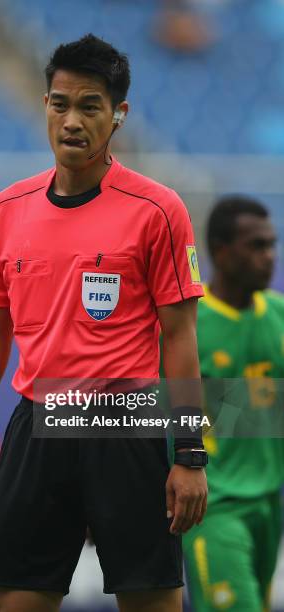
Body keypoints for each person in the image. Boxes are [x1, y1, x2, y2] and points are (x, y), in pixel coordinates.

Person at [0, 34, 207, 612]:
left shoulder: (158, 209)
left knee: (152, 602)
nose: (71, 121)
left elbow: (178, 338)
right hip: (40, 425)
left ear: (118, 115)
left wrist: (189, 454)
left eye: (90, 106)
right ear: (45, 105)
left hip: (126, 426)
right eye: (59, 104)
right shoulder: (6, 210)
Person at [183, 196, 284, 611]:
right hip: (214, 506)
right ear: (221, 252)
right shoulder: (188, 324)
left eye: (272, 244)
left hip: (268, 504)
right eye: (256, 246)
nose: (270, 257)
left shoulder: (278, 315)